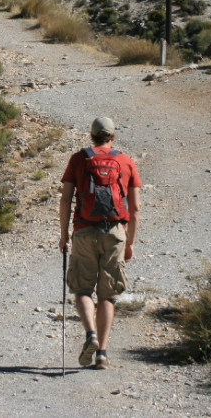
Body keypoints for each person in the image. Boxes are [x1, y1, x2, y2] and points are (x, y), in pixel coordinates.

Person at [58, 117, 141, 370]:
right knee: (108, 295)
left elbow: (66, 200)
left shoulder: (78, 159)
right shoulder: (125, 161)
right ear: (113, 136)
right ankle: (102, 354)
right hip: (115, 232)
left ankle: (90, 334)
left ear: (91, 136)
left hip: (84, 230)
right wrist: (129, 243)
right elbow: (135, 209)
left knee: (82, 289)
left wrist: (64, 235)